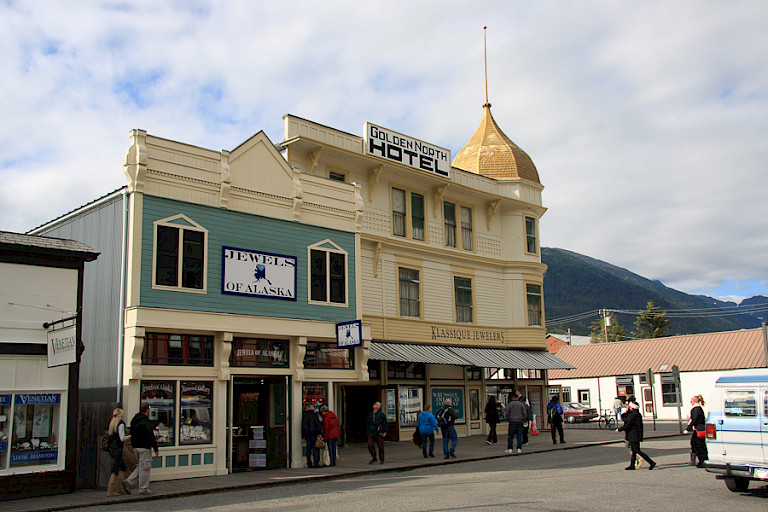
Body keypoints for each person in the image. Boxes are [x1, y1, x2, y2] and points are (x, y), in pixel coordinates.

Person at [124, 402, 159, 495]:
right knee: (145, 468)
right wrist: (155, 448)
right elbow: (150, 435)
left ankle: (129, 482)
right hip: (144, 446)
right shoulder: (146, 422)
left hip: (135, 446)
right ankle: (143, 489)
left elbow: (131, 432)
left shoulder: (134, 420)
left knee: (140, 466)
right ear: (147, 410)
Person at [617, 401, 656, 470]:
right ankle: (632, 465)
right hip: (636, 434)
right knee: (634, 451)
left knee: (636, 450)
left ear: (632, 408)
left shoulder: (633, 415)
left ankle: (651, 462)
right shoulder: (637, 414)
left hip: (633, 435)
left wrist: (619, 429)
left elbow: (628, 424)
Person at [106, 408, 129, 496]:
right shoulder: (121, 424)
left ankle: (119, 488)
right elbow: (122, 438)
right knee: (115, 469)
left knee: (122, 467)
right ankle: (111, 490)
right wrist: (130, 436)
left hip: (112, 449)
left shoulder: (112, 424)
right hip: (118, 449)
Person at [683, 394, 708, 467]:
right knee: (695, 444)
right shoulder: (697, 409)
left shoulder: (696, 409)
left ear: (694, 401)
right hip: (698, 429)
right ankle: (696, 460)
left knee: (699, 445)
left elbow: (695, 419)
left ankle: (702, 461)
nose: (690, 402)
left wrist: (688, 428)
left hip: (699, 430)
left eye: (691, 401)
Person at [301, 403, 323, 468]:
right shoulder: (314, 416)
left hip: (307, 435)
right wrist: (319, 433)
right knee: (315, 449)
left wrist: (303, 435)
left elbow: (303, 426)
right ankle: (316, 462)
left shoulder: (305, 416)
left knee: (308, 449)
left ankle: (309, 463)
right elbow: (318, 425)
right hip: (314, 434)